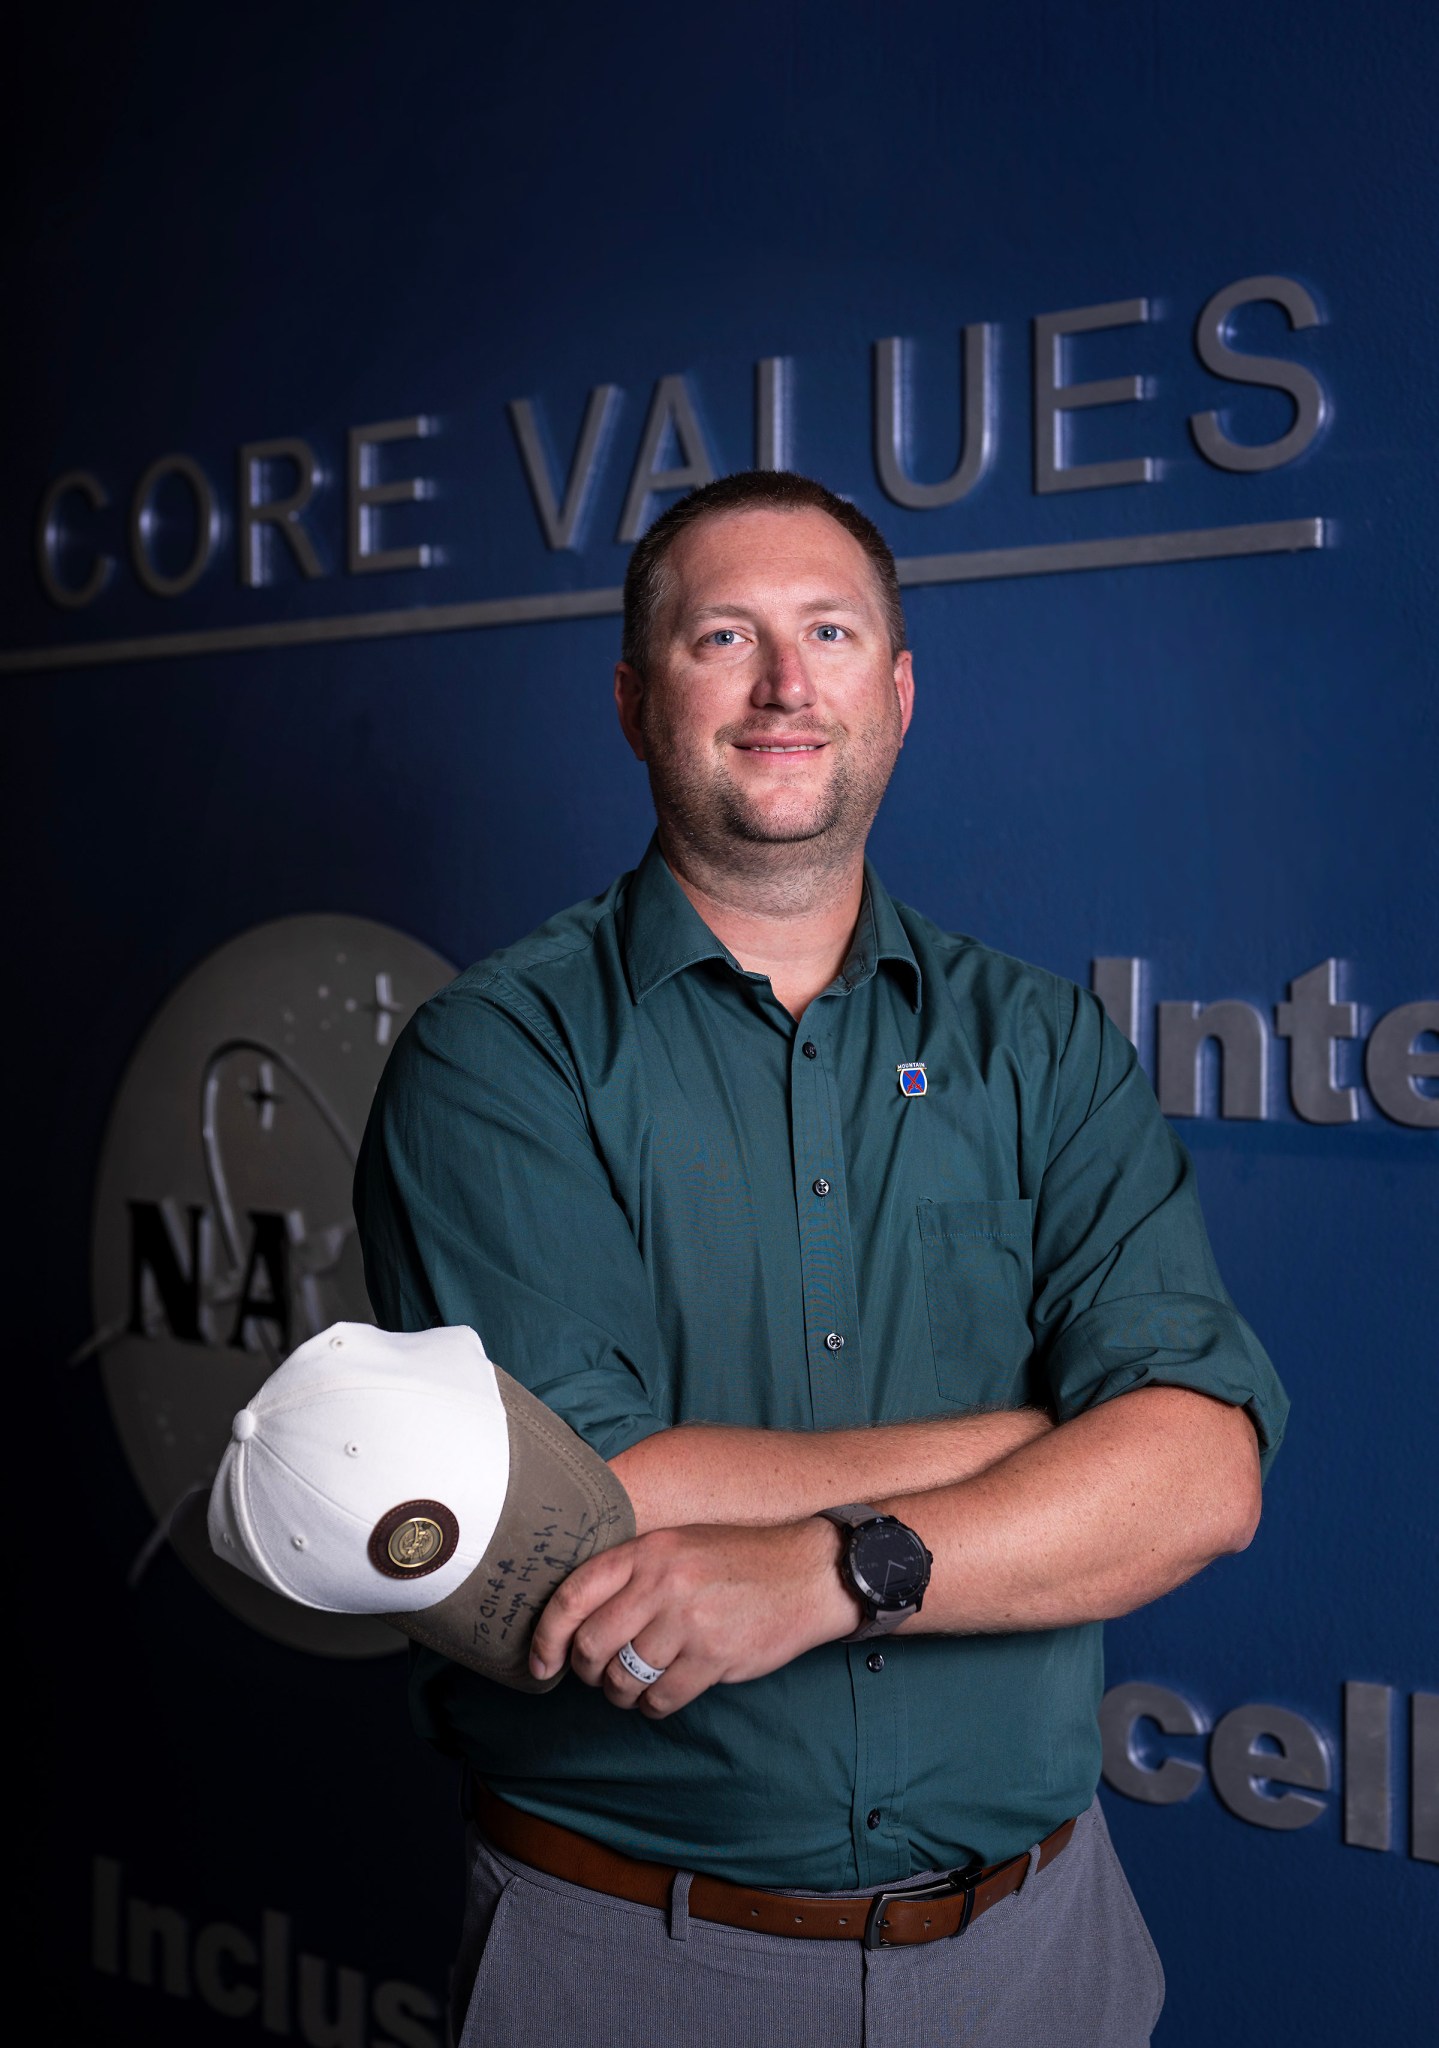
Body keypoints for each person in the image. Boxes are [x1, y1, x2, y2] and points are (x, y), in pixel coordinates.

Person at [354, 470, 1287, 2048]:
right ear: (637, 698)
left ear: (898, 693)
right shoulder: (500, 1054)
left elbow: (1202, 1477)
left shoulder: (1039, 1047)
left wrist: (832, 1572)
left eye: (830, 632)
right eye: (726, 637)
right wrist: (1047, 1448)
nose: (788, 686)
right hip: (639, 1955)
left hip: (1041, 1952)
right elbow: (584, 1507)